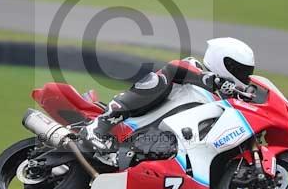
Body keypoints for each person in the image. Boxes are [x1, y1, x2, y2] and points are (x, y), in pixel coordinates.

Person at [80, 37, 256, 163]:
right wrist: (214, 81)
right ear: (225, 62)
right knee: (159, 80)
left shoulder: (222, 101)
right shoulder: (195, 68)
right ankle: (98, 126)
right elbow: (176, 67)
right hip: (133, 124)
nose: (244, 77)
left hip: (153, 143)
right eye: (240, 70)